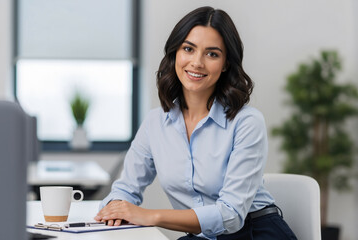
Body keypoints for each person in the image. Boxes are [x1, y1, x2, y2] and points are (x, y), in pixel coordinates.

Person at [95, 6, 297, 240]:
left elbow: (229, 216)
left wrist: (150, 216)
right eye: (188, 49)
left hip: (254, 233)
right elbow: (125, 188)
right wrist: (116, 208)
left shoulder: (246, 122)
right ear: (175, 54)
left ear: (226, 64)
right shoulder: (154, 123)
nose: (197, 62)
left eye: (212, 54)